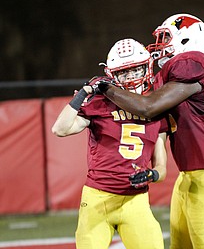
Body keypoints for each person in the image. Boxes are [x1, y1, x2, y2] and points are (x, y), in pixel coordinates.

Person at [100, 14, 204, 249]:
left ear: (187, 39)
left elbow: (149, 107)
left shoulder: (192, 61)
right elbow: (157, 125)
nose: (161, 45)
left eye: (166, 38)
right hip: (191, 174)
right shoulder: (171, 78)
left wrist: (106, 89)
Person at [52, 38, 168, 249]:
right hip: (98, 200)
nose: (131, 77)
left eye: (136, 69)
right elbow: (59, 129)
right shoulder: (100, 102)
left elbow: (161, 166)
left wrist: (152, 175)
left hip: (136, 201)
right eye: (124, 72)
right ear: (112, 75)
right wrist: (84, 93)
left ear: (147, 67)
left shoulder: (157, 105)